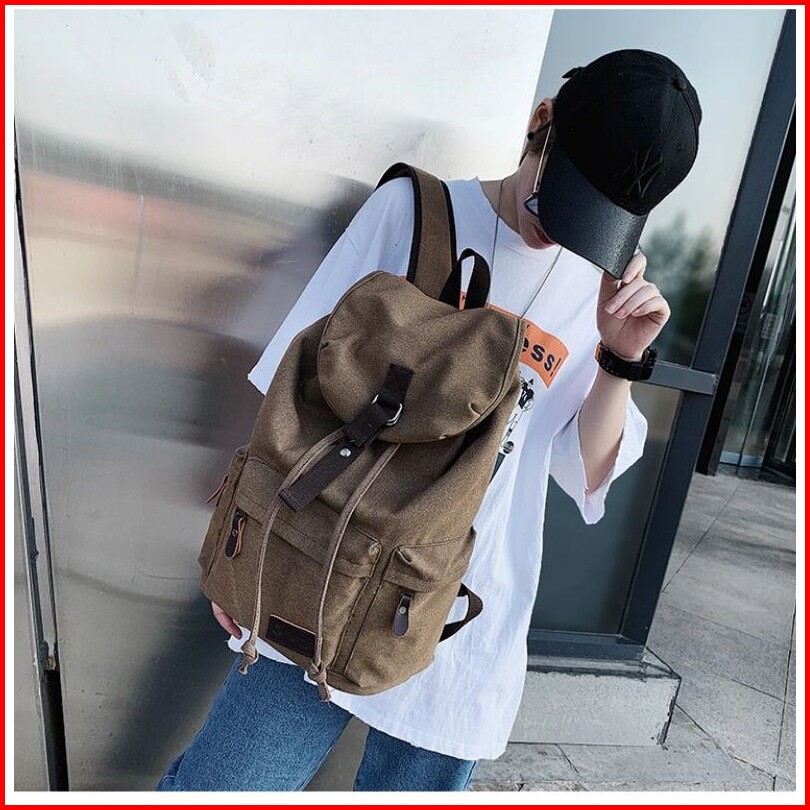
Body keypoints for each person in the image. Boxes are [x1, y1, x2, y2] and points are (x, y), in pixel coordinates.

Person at [156, 48, 701, 792]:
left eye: (593, 222)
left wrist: (619, 358)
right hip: (325, 572)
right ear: (541, 122)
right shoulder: (413, 213)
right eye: (560, 199)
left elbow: (585, 471)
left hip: (463, 623)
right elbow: (290, 381)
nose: (560, 233)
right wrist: (240, 542)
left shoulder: (596, 287)